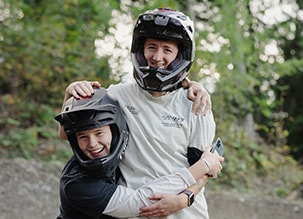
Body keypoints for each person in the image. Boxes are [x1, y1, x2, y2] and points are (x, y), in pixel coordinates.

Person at [62, 8, 219, 218]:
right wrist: (70, 92)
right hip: (136, 210)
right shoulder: (117, 95)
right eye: (151, 47)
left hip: (186, 214)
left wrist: (184, 198)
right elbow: (67, 132)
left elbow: (206, 168)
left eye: (167, 50)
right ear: (140, 50)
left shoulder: (196, 104)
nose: (157, 57)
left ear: (180, 56)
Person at [55, 88, 223, 218]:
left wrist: (190, 85)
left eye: (99, 133)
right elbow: (143, 201)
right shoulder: (77, 185)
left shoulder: (120, 152)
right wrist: (204, 165)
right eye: (83, 137)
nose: (92, 144)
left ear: (115, 130)